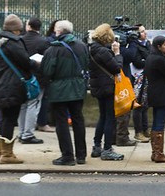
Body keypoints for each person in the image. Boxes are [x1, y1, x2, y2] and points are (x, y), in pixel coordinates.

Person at [0, 13, 33, 164]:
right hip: (12, 85)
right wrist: (36, 64)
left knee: (5, 118)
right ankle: (7, 155)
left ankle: (0, 151)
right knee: (10, 118)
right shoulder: (13, 42)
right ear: (16, 30)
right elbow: (25, 61)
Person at [41, 19, 89, 166]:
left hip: (59, 90)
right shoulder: (82, 46)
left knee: (62, 123)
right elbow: (87, 64)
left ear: (58, 31)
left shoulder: (53, 49)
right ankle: (81, 155)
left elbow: (47, 71)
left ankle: (67, 155)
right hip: (78, 87)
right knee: (78, 120)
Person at [88, 23, 125, 161]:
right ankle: (107, 148)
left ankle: (97, 146)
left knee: (102, 116)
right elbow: (116, 68)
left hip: (97, 86)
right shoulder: (103, 51)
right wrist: (117, 54)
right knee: (110, 117)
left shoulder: (92, 49)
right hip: (107, 87)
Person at [18, 17, 50, 145]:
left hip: (23, 76)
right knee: (34, 105)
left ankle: (22, 132)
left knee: (23, 105)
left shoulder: (21, 40)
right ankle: (27, 134)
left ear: (28, 26)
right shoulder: (43, 42)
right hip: (38, 78)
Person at [145, 35, 165, 162]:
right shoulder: (159, 59)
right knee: (159, 123)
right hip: (162, 94)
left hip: (154, 93)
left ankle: (155, 152)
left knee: (156, 122)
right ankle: (158, 153)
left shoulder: (151, 57)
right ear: (159, 46)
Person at [127, 25, 151, 143]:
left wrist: (146, 61)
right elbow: (137, 62)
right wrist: (146, 61)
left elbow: (150, 58)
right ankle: (138, 131)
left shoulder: (147, 44)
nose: (144, 33)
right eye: (141, 31)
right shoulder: (134, 46)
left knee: (145, 105)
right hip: (138, 79)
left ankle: (145, 129)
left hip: (147, 78)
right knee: (138, 105)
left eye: (144, 30)